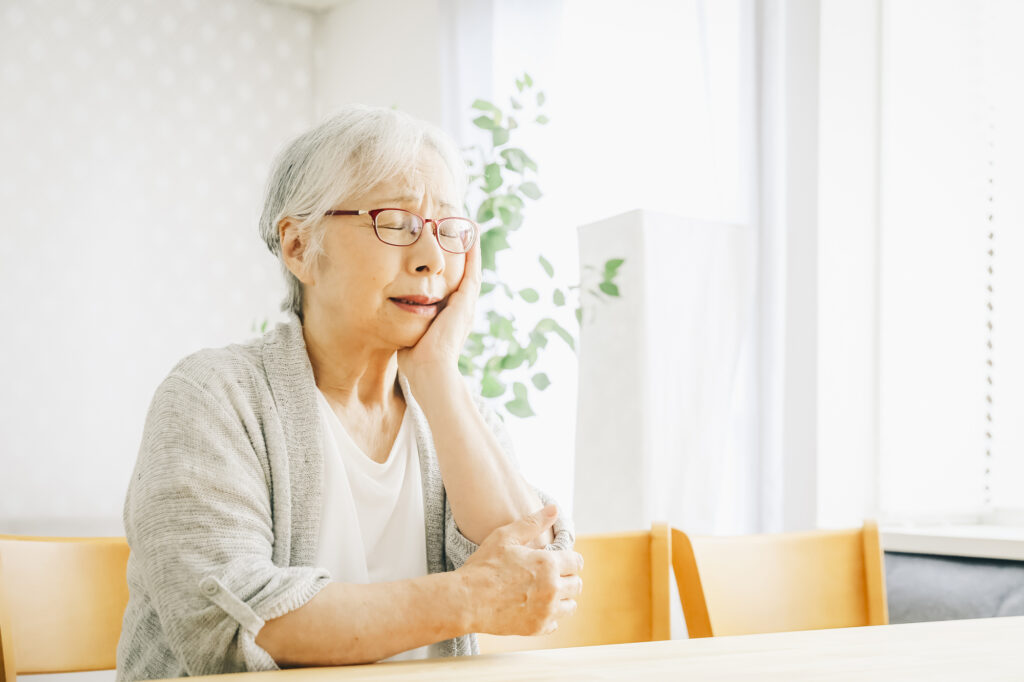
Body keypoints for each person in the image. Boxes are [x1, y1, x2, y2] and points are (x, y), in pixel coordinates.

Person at [116, 105, 582, 679]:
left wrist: (436, 373)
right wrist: (469, 597)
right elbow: (233, 626)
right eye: (397, 222)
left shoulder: (458, 411)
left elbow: (539, 574)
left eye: (448, 230)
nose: (433, 259)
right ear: (299, 248)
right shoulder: (212, 397)